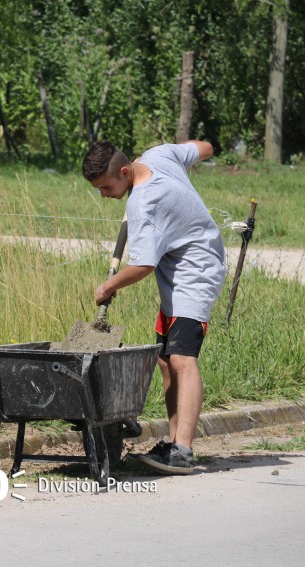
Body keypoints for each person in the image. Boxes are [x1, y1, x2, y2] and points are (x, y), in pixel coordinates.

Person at [82, 140, 225, 474]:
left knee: (182, 359)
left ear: (124, 171)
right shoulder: (158, 155)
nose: (104, 195)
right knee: (164, 360)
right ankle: (173, 442)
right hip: (176, 274)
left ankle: (183, 451)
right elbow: (204, 148)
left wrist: (108, 286)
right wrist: (208, 149)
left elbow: (143, 265)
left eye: (106, 187)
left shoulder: (143, 203)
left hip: (195, 273)